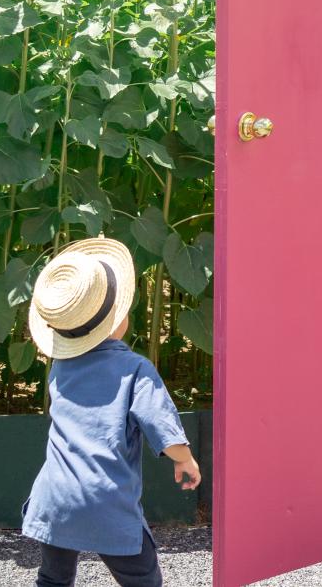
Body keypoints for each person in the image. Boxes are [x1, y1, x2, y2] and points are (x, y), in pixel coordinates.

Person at [20, 237, 202, 587]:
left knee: (54, 579)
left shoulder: (60, 366)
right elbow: (158, 422)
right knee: (142, 578)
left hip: (53, 496)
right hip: (104, 496)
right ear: (117, 320)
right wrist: (184, 459)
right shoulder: (134, 369)